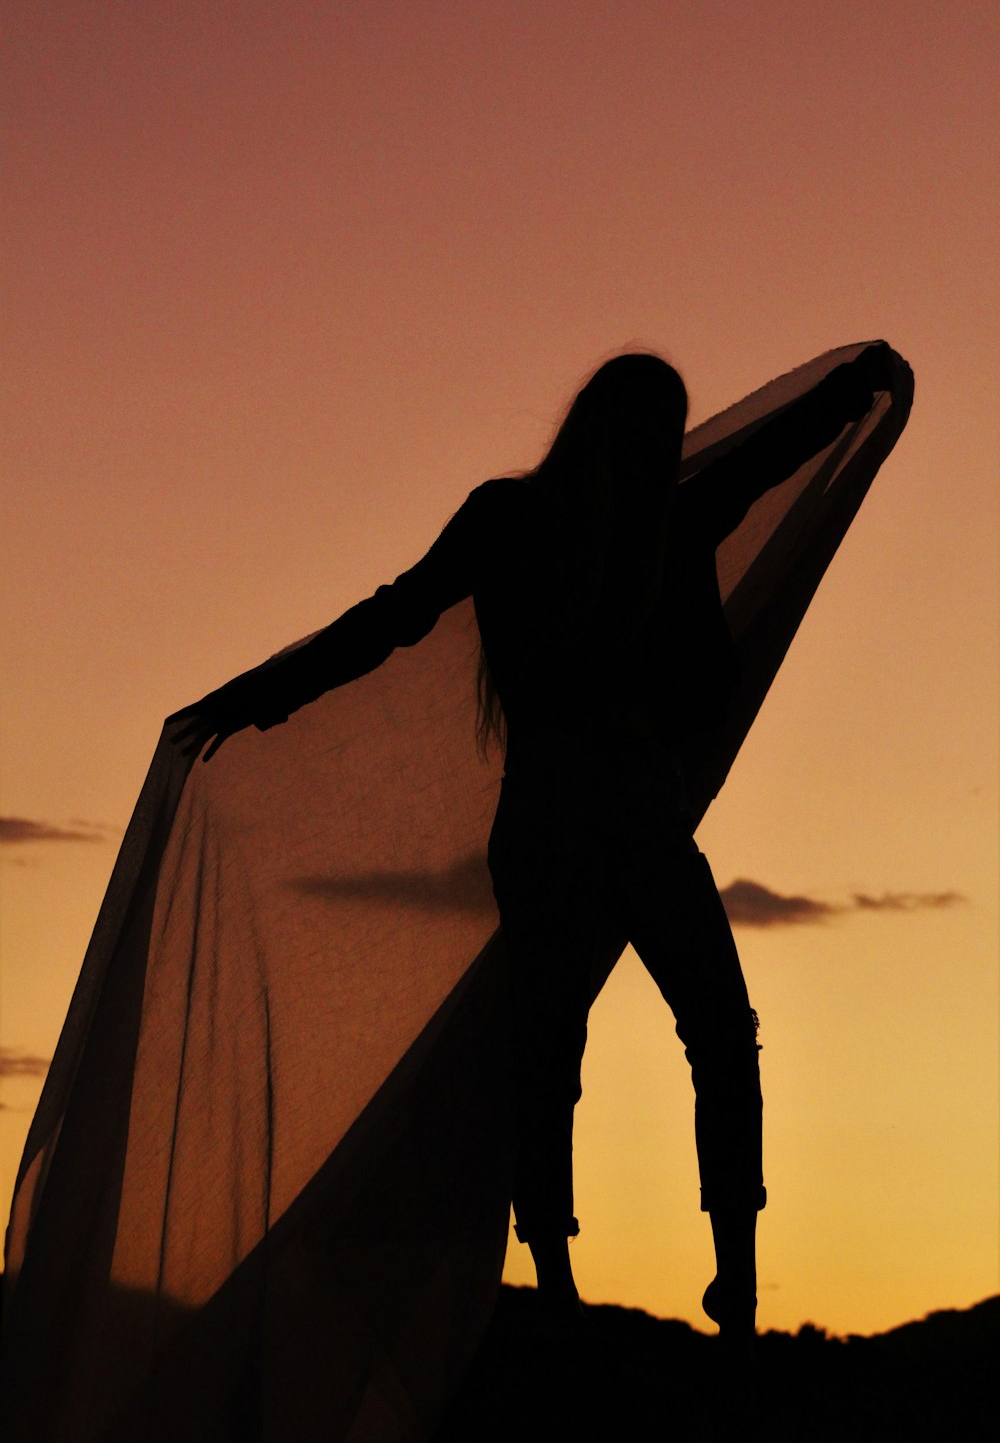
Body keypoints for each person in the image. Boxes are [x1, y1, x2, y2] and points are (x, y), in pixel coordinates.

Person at [172, 340, 901, 1343]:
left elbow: (771, 452)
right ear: (603, 427)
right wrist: (264, 698)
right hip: (571, 817)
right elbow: (395, 616)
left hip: (625, 818)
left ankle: (731, 1282)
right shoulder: (513, 520)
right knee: (561, 1047)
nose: (653, 446)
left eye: (665, 427)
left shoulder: (662, 519)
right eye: (641, 426)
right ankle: (562, 1273)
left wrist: (857, 383)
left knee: (698, 1035)